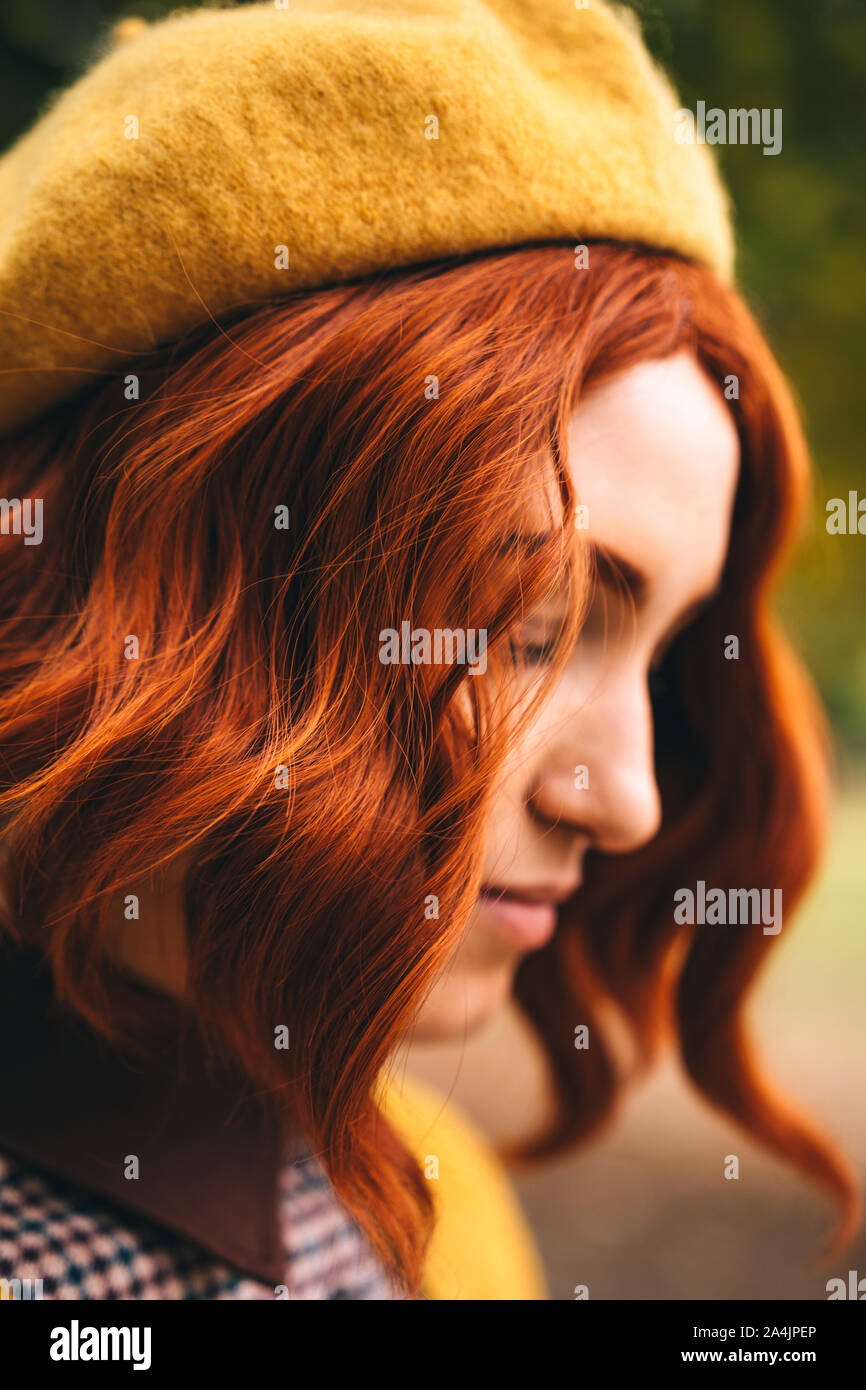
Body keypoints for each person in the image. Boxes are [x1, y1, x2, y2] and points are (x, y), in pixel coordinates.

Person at [0, 0, 858, 1301]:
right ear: (126, 582)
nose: (625, 799)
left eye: (663, 662)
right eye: (531, 631)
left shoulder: (433, 1212)